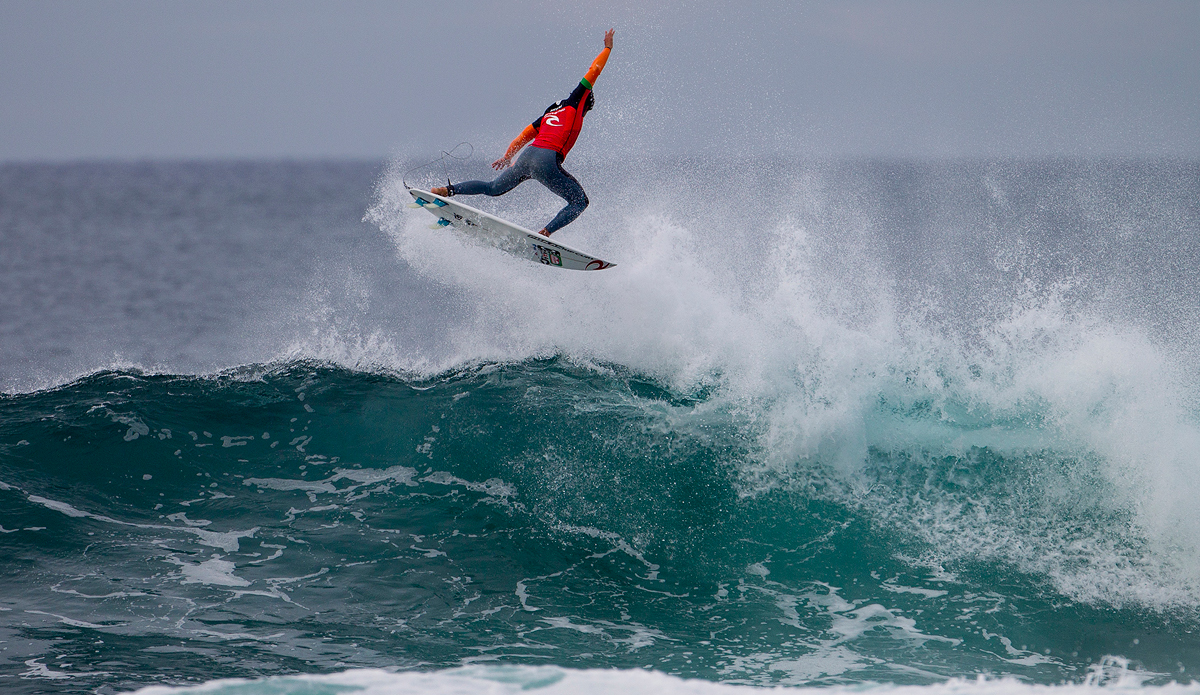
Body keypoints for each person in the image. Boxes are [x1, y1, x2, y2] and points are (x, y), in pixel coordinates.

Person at [431, 29, 614, 237]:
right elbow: (595, 69)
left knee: (492, 188)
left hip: (527, 156)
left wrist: (508, 156)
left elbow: (524, 136)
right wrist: (607, 47)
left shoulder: (550, 112)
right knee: (580, 202)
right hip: (546, 160)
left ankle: (446, 191)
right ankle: (545, 233)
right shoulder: (577, 101)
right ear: (586, 104)